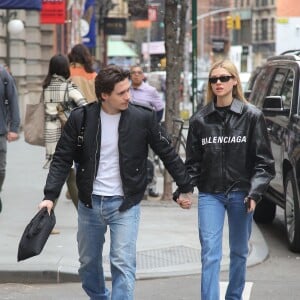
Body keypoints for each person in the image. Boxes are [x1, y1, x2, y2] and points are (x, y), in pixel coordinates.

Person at [38, 65, 193, 300]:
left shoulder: (143, 117)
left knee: (123, 263)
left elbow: (167, 151)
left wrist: (184, 186)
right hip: (90, 204)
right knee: (88, 264)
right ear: (104, 95)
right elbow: (61, 158)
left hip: (125, 205)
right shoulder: (81, 118)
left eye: (128, 90)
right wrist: (50, 196)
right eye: (121, 93)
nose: (128, 97)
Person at [184, 59, 275, 300]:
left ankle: (234, 297)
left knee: (238, 251)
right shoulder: (199, 120)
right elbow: (192, 163)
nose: (219, 83)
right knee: (210, 252)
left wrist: (254, 194)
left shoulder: (252, 116)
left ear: (234, 81)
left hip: (241, 194)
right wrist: (183, 190)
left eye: (224, 78)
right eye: (214, 79)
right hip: (210, 194)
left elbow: (264, 163)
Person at [42, 54, 87, 211]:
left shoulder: (46, 85)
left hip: (50, 133)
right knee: (64, 175)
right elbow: (84, 105)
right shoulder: (68, 87)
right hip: (65, 133)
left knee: (64, 174)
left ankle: (82, 212)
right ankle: (46, 216)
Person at [129, 65, 165, 198]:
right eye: (133, 73)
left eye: (139, 73)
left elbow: (160, 109)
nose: (136, 75)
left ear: (143, 75)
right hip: (130, 131)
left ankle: (151, 186)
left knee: (149, 158)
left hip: (146, 132)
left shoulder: (151, 91)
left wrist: (153, 126)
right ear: (130, 75)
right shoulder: (126, 90)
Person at [0, 64, 20, 213]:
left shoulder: (3, 75)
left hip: (0, 130)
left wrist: (14, 128)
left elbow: (13, 100)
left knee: (0, 169)